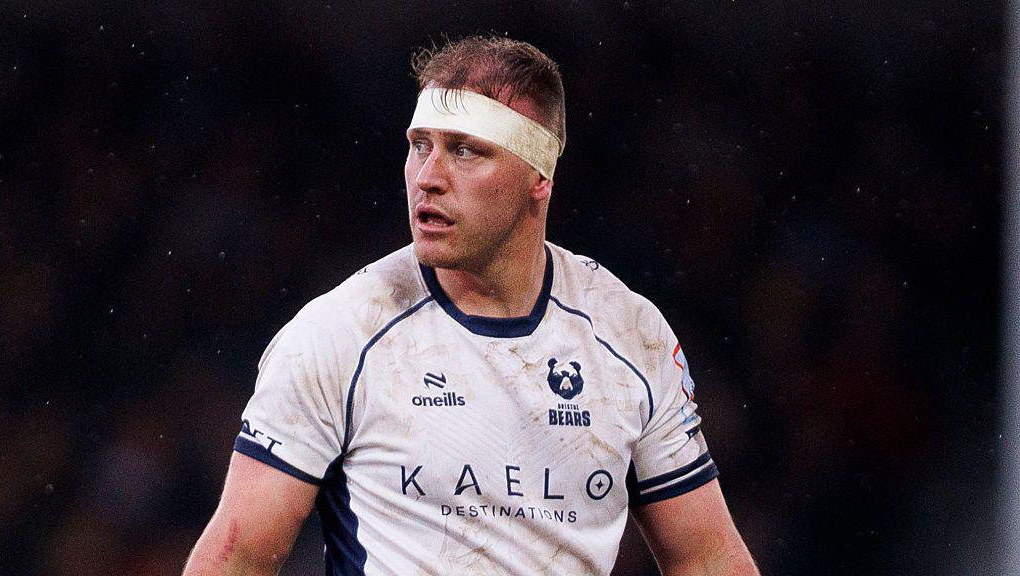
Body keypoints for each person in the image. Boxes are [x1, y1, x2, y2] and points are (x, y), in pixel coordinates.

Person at [183, 36, 759, 576]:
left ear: (539, 177)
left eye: (464, 150)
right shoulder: (339, 333)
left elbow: (706, 557)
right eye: (419, 146)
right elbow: (237, 555)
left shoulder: (631, 334)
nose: (428, 178)